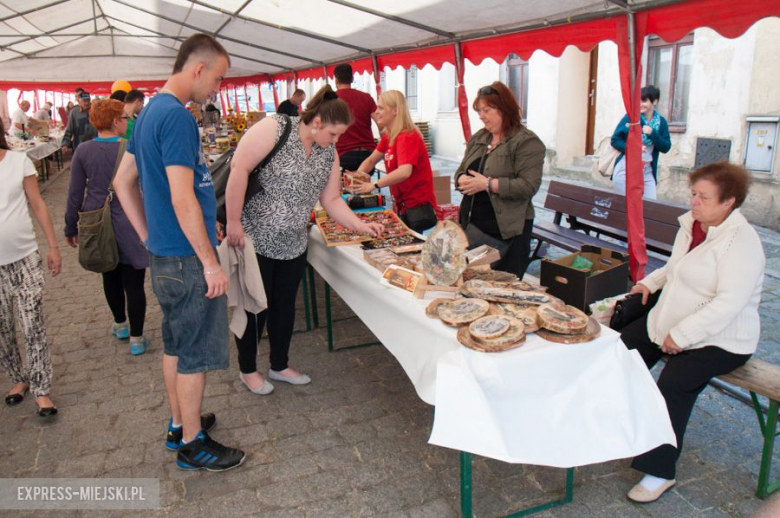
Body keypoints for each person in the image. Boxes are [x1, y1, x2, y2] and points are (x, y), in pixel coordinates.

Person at [113, 33, 245, 472]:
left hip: (168, 253)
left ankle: (178, 424)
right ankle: (193, 444)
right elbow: (182, 196)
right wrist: (210, 261)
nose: (218, 89)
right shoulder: (176, 117)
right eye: (220, 78)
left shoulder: (150, 110)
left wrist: (149, 236)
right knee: (193, 353)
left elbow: (122, 182)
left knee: (175, 344)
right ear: (198, 69)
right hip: (188, 260)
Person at [620, 162, 765, 503]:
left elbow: (729, 303)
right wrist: (647, 283)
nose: (694, 202)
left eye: (704, 196)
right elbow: (675, 269)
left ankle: (660, 470)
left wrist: (682, 336)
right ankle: (620, 426)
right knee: (622, 350)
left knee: (674, 383)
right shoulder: (693, 225)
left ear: (729, 202)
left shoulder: (742, 242)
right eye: (693, 193)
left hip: (723, 337)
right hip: (676, 317)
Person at [225, 84, 383, 395]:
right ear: (317, 122)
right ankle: (248, 369)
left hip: (294, 242)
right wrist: (232, 222)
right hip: (255, 237)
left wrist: (360, 225)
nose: (336, 141)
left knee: (284, 307)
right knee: (256, 306)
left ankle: (279, 364)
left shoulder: (328, 153)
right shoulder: (276, 127)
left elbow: (332, 200)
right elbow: (239, 169)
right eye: (334, 134)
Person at [64, 99, 149, 356]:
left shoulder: (83, 150)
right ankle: (137, 338)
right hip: (130, 219)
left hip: (96, 221)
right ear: (114, 121)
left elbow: (74, 193)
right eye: (124, 118)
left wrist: (70, 226)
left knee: (108, 274)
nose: (127, 122)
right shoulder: (131, 148)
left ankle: (120, 324)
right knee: (134, 282)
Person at [0, 118, 62, 417]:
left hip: (24, 256)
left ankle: (41, 389)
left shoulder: (18, 160)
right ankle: (18, 378)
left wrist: (52, 246)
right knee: (3, 329)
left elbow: (37, 203)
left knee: (32, 324)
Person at [454, 82, 545, 279]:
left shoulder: (526, 141)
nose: (481, 116)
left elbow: (528, 186)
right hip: (475, 228)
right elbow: (461, 170)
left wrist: (487, 184)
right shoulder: (480, 137)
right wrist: (461, 179)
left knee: (502, 285)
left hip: (507, 232)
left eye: (486, 110)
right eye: (479, 110)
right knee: (473, 280)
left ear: (504, 108)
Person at [352, 90, 438, 233]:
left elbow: (404, 172)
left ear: (395, 111)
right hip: (402, 204)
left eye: (381, 108)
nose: (376, 112)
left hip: (415, 205)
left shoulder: (407, 136)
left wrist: (374, 184)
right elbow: (371, 160)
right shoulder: (389, 135)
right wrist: (359, 175)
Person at [611, 85, 671, 200]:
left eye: (643, 100)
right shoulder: (631, 119)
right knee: (626, 207)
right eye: (637, 100)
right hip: (626, 169)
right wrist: (633, 148)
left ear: (655, 101)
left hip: (646, 171)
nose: (639, 104)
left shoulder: (661, 122)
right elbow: (615, 140)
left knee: (650, 206)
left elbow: (666, 147)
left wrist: (652, 133)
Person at [333, 63, 378, 172]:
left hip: (343, 155)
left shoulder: (330, 100)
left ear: (336, 80)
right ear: (352, 79)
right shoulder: (366, 98)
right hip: (367, 155)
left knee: (343, 187)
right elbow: (380, 123)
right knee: (364, 186)